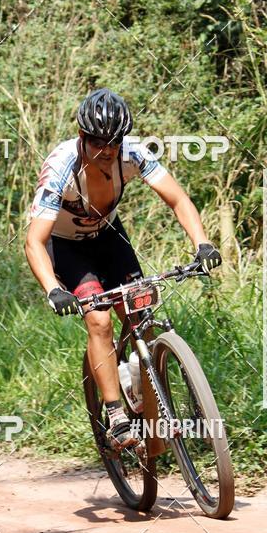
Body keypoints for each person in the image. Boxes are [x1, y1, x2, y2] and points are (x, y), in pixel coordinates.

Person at [25, 88, 221, 450]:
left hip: (108, 236)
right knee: (99, 320)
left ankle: (137, 382)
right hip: (66, 247)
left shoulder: (132, 154)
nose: (109, 150)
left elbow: (178, 199)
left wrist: (202, 243)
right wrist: (54, 288)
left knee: (141, 312)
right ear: (83, 137)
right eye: (100, 142)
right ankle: (115, 415)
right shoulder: (60, 168)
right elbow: (34, 241)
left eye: (115, 141)